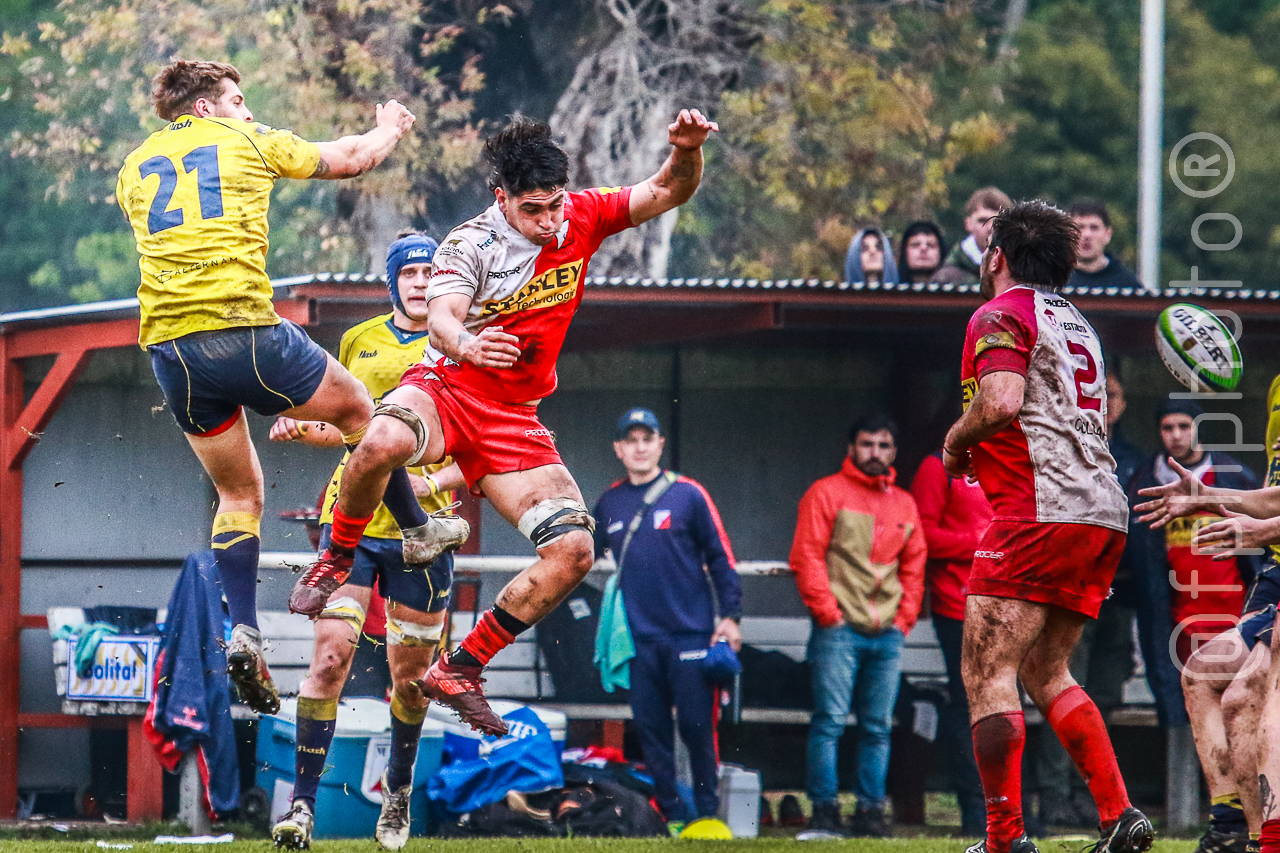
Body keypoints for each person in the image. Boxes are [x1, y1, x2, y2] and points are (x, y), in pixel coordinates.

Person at [293, 110, 719, 737]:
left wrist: (686, 151)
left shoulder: (581, 214)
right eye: (533, 210)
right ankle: (334, 557)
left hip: (512, 417)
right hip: (447, 388)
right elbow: (440, 320)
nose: (549, 222)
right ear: (502, 198)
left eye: (554, 206)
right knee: (382, 436)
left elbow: (668, 189)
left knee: (575, 549)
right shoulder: (470, 243)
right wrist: (468, 346)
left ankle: (462, 667)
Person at [115, 59, 441, 715]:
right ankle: (416, 528)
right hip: (243, 331)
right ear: (205, 109)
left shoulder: (133, 166)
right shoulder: (247, 138)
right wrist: (387, 128)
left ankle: (244, 628)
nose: (245, 108)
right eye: (236, 99)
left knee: (239, 491)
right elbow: (350, 159)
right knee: (359, 409)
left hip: (171, 353)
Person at [942, 199, 1153, 853]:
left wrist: (955, 442)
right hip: (1100, 510)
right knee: (1045, 667)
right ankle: (1119, 815)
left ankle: (1004, 839)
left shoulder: (1000, 312)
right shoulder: (1078, 323)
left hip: (1041, 510)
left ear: (996, 256)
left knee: (984, 668)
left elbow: (1002, 402)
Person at [263, 234, 466, 850]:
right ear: (392, 281)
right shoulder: (359, 341)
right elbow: (355, 429)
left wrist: (427, 480)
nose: (420, 280)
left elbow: (476, 453)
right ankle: (301, 808)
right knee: (328, 659)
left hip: (422, 537)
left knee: (410, 680)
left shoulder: (462, 343)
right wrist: (306, 428)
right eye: (409, 272)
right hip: (349, 520)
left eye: (432, 271)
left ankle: (397, 792)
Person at [1134, 378, 1280, 853]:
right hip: (1271, 586)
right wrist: (1206, 496)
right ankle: (1230, 825)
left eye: (1184, 425)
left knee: (1245, 698)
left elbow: (1269, 512)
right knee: (1199, 677)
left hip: (1259, 593)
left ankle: (1264, 840)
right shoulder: (1275, 397)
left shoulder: (1235, 468)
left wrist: (1255, 528)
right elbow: (1272, 500)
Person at [590, 407, 742, 833]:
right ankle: (673, 816)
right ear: (619, 449)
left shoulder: (689, 495)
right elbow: (579, 553)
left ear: (660, 444)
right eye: (631, 440)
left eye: (647, 438)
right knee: (652, 733)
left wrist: (730, 617)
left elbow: (721, 558)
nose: (640, 447)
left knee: (698, 732)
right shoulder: (609, 502)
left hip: (691, 636)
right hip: (637, 641)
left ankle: (709, 818)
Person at [789, 414, 926, 837]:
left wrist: (904, 620)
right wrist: (829, 613)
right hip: (839, 628)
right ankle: (825, 810)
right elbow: (806, 556)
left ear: (894, 452)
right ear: (851, 448)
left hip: (887, 631)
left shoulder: (905, 502)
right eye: (867, 445)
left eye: (883, 446)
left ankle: (870, 813)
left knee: (877, 726)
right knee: (829, 720)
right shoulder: (825, 492)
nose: (875, 453)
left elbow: (915, 564)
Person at [910, 446, 992, 835]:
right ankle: (975, 812)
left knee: (1009, 710)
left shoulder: (1013, 459)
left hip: (1010, 608)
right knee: (968, 707)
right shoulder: (937, 466)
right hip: (956, 606)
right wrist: (976, 541)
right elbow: (922, 534)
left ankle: (1017, 811)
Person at [935, 187, 1012, 286]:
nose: (990, 228)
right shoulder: (947, 277)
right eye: (982, 221)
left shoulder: (1021, 274)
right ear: (968, 224)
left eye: (998, 222)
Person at [1065, 200, 1142, 290]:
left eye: (1094, 228)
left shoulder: (1128, 286)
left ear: (1108, 234)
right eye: (1079, 227)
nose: (1086, 235)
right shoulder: (1053, 282)